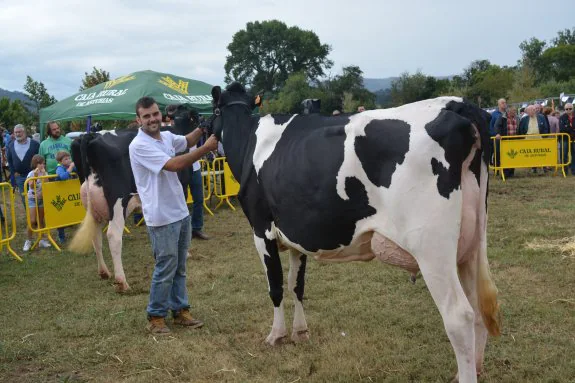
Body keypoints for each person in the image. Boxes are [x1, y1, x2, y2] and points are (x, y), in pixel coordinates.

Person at [128, 96, 218, 335]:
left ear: (161, 114)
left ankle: (180, 311)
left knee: (179, 267)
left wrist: (202, 128)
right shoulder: (139, 145)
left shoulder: (166, 136)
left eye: (155, 114)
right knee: (166, 267)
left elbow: (185, 141)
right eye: (146, 116)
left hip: (179, 211)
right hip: (161, 217)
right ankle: (156, 316)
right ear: (138, 120)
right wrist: (206, 148)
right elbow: (175, 165)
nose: (152, 119)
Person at [39, 121, 72, 243]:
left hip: (69, 177)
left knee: (71, 203)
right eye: (54, 129)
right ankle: (61, 233)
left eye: (58, 128)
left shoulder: (68, 141)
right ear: (49, 131)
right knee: (58, 206)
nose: (57, 130)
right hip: (53, 179)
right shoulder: (44, 144)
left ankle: (73, 223)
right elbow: (41, 162)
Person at [7, 124, 40, 206]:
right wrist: (13, 172)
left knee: (37, 197)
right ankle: (30, 217)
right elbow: (9, 160)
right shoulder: (10, 145)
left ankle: (39, 217)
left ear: (25, 132)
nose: (18, 134)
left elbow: (39, 158)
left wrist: (37, 171)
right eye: (16, 132)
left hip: (34, 175)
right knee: (25, 198)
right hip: (20, 177)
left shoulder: (35, 144)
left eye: (19, 132)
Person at [23, 155, 51, 251]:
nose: (42, 165)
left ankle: (41, 239)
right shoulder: (31, 173)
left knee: (41, 219)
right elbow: (31, 186)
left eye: (43, 163)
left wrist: (44, 175)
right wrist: (35, 176)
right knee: (32, 220)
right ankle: (28, 240)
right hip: (32, 198)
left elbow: (47, 184)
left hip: (42, 199)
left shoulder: (45, 173)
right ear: (35, 164)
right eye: (40, 163)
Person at [494, 108, 519, 178]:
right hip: (505, 141)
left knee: (513, 156)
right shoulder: (502, 118)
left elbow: (518, 128)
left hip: (514, 141)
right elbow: (496, 126)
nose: (515, 113)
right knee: (505, 157)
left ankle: (511, 172)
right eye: (513, 112)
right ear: (509, 112)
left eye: (515, 112)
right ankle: (505, 173)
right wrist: (498, 133)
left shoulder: (516, 118)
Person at [559, 103, 575, 175]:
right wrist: (572, 130)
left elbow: (566, 128)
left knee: (574, 154)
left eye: (570, 108)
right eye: (566, 109)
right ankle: (564, 170)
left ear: (573, 108)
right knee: (564, 155)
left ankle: (574, 170)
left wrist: (568, 128)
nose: (568, 110)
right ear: (564, 109)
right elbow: (562, 128)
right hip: (565, 138)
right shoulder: (562, 117)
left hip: (574, 139)